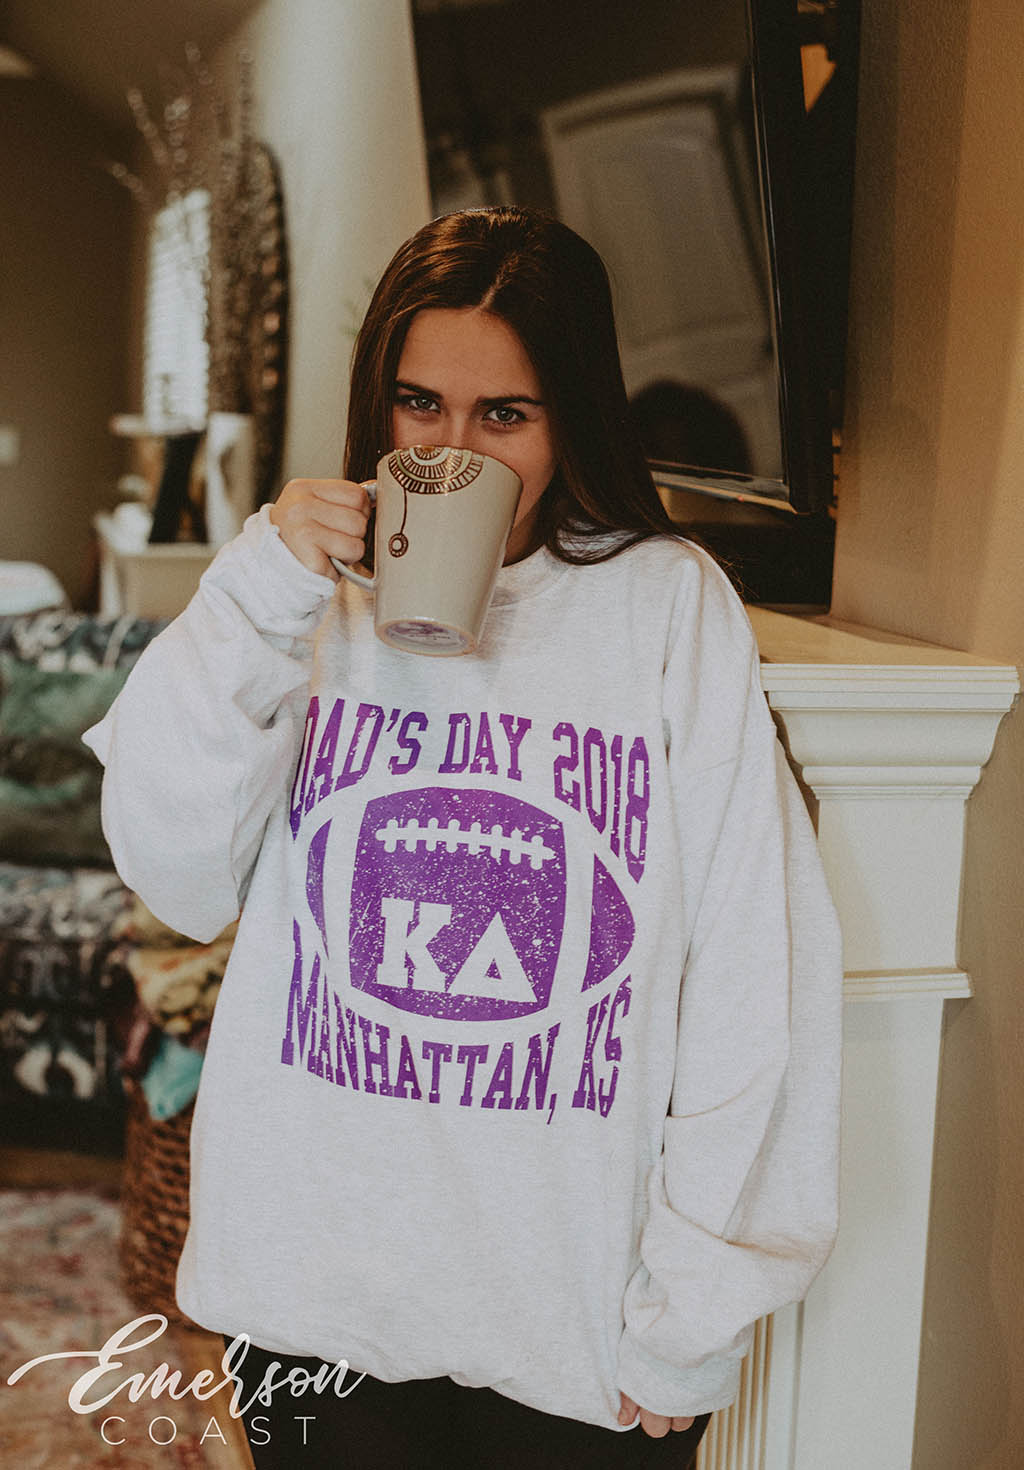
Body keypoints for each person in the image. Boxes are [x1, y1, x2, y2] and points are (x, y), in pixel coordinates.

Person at [84, 206, 842, 1469]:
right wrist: (258, 589)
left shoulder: (665, 605)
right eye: (418, 404)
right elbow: (174, 869)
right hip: (315, 1288)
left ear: (572, 417)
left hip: (571, 1309)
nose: (449, 449)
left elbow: (754, 972)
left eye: (505, 415)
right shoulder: (299, 596)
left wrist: (696, 1306)